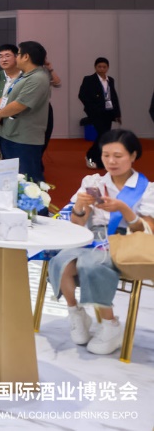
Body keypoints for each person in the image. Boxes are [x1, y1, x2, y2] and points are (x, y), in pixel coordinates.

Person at [48, 129, 153, 356]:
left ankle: (110, 323)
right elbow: (77, 223)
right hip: (90, 238)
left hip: (125, 242)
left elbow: (147, 231)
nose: (111, 161)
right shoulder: (94, 182)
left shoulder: (146, 189)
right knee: (60, 261)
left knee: (91, 264)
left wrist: (123, 209)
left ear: (133, 156)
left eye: (118, 156)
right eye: (106, 155)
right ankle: (76, 313)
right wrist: (80, 206)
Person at [0, 41, 51, 182]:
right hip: (9, 134)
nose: (16, 57)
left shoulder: (38, 78)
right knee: (8, 180)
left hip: (23, 139)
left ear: (26, 57)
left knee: (27, 181)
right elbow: (7, 95)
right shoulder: (24, 75)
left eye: (17, 54)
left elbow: (19, 105)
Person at [78, 58, 121, 168]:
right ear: (95, 67)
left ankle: (99, 159)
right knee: (103, 135)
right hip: (96, 113)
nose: (102, 69)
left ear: (108, 68)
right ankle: (90, 155)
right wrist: (91, 107)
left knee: (105, 137)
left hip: (108, 112)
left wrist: (117, 114)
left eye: (104, 67)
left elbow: (114, 97)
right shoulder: (89, 79)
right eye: (99, 67)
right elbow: (82, 95)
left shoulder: (110, 80)